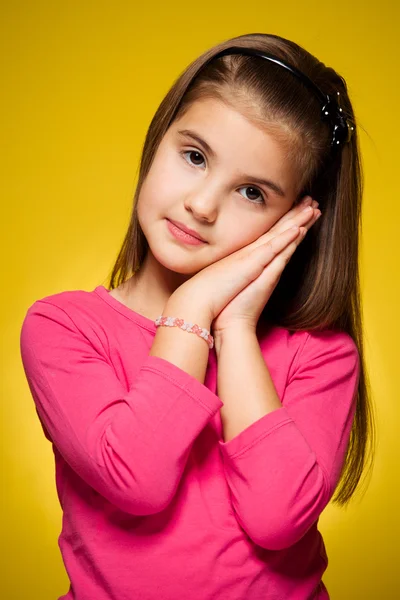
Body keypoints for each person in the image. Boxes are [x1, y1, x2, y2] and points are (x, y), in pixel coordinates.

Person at [20, 32, 374, 600]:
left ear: (294, 223)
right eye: (194, 157)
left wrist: (230, 327)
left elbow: (278, 518)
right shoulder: (63, 328)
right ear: (156, 142)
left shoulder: (320, 352)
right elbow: (136, 477)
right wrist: (188, 313)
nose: (203, 205)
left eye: (253, 193)